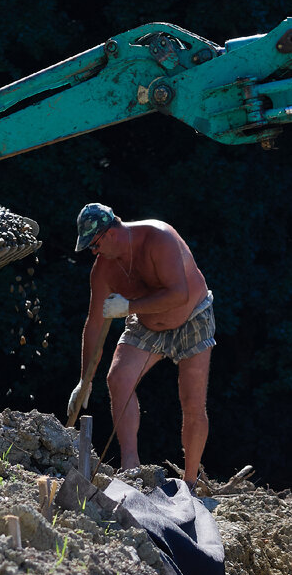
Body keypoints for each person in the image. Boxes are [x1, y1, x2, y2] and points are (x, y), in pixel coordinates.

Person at [67, 203, 214, 484]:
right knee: (118, 379)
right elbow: (95, 322)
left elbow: (179, 294)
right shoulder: (103, 271)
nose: (94, 253)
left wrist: (129, 306)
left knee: (192, 401)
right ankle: (131, 469)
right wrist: (84, 380)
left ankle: (191, 483)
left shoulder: (159, 238)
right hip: (145, 323)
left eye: (95, 245)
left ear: (110, 232)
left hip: (192, 316)